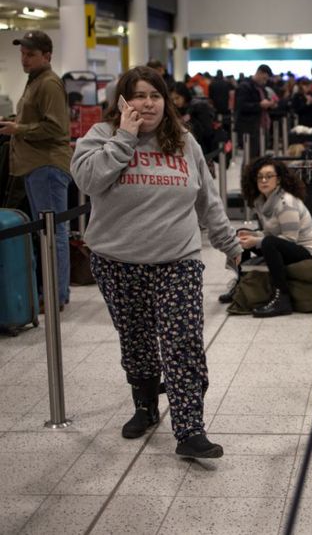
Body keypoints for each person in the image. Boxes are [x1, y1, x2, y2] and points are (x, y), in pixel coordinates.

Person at [70, 66, 242, 458]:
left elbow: (207, 199)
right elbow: (88, 182)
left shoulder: (183, 142)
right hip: (117, 262)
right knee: (138, 343)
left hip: (176, 259)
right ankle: (145, 407)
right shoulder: (100, 137)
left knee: (183, 343)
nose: (148, 104)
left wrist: (228, 244)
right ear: (122, 102)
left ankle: (190, 429)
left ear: (167, 101)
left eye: (155, 96)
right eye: (139, 96)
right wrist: (125, 139)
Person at [0, 30, 72, 311]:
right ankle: (50, 291)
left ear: (47, 55)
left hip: (47, 165)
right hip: (34, 165)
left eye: (30, 54)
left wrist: (18, 128)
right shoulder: (35, 82)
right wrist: (13, 122)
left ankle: (57, 295)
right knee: (47, 232)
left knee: (55, 232)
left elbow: (56, 127)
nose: (25, 59)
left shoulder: (49, 84)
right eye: (22, 53)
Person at [239, 158, 312, 318]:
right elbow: (271, 233)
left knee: (266, 243)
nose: (264, 180)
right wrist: (252, 236)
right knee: (244, 236)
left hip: (306, 251)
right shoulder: (261, 201)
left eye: (269, 176)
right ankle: (240, 287)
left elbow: (288, 240)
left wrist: (257, 240)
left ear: (278, 180)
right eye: (260, 176)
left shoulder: (286, 203)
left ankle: (282, 299)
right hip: (284, 245)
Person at [235, 64, 275, 157]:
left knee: (258, 156)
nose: (265, 81)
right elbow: (241, 106)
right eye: (264, 78)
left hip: (261, 127)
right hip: (249, 128)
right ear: (259, 73)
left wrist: (269, 104)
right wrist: (259, 105)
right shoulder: (244, 86)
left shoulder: (261, 88)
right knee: (250, 157)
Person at [171, 82, 217, 157]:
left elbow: (207, 131)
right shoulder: (176, 109)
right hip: (184, 151)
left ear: (184, 95)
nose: (175, 102)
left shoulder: (198, 107)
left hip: (201, 150)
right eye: (172, 99)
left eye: (177, 98)